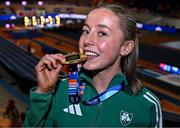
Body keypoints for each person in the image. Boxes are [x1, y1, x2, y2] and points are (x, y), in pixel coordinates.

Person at [23, 4, 162, 127]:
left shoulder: (147, 106)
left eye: (102, 33)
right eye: (85, 31)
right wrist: (42, 93)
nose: (87, 40)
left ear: (125, 47)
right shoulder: (60, 90)